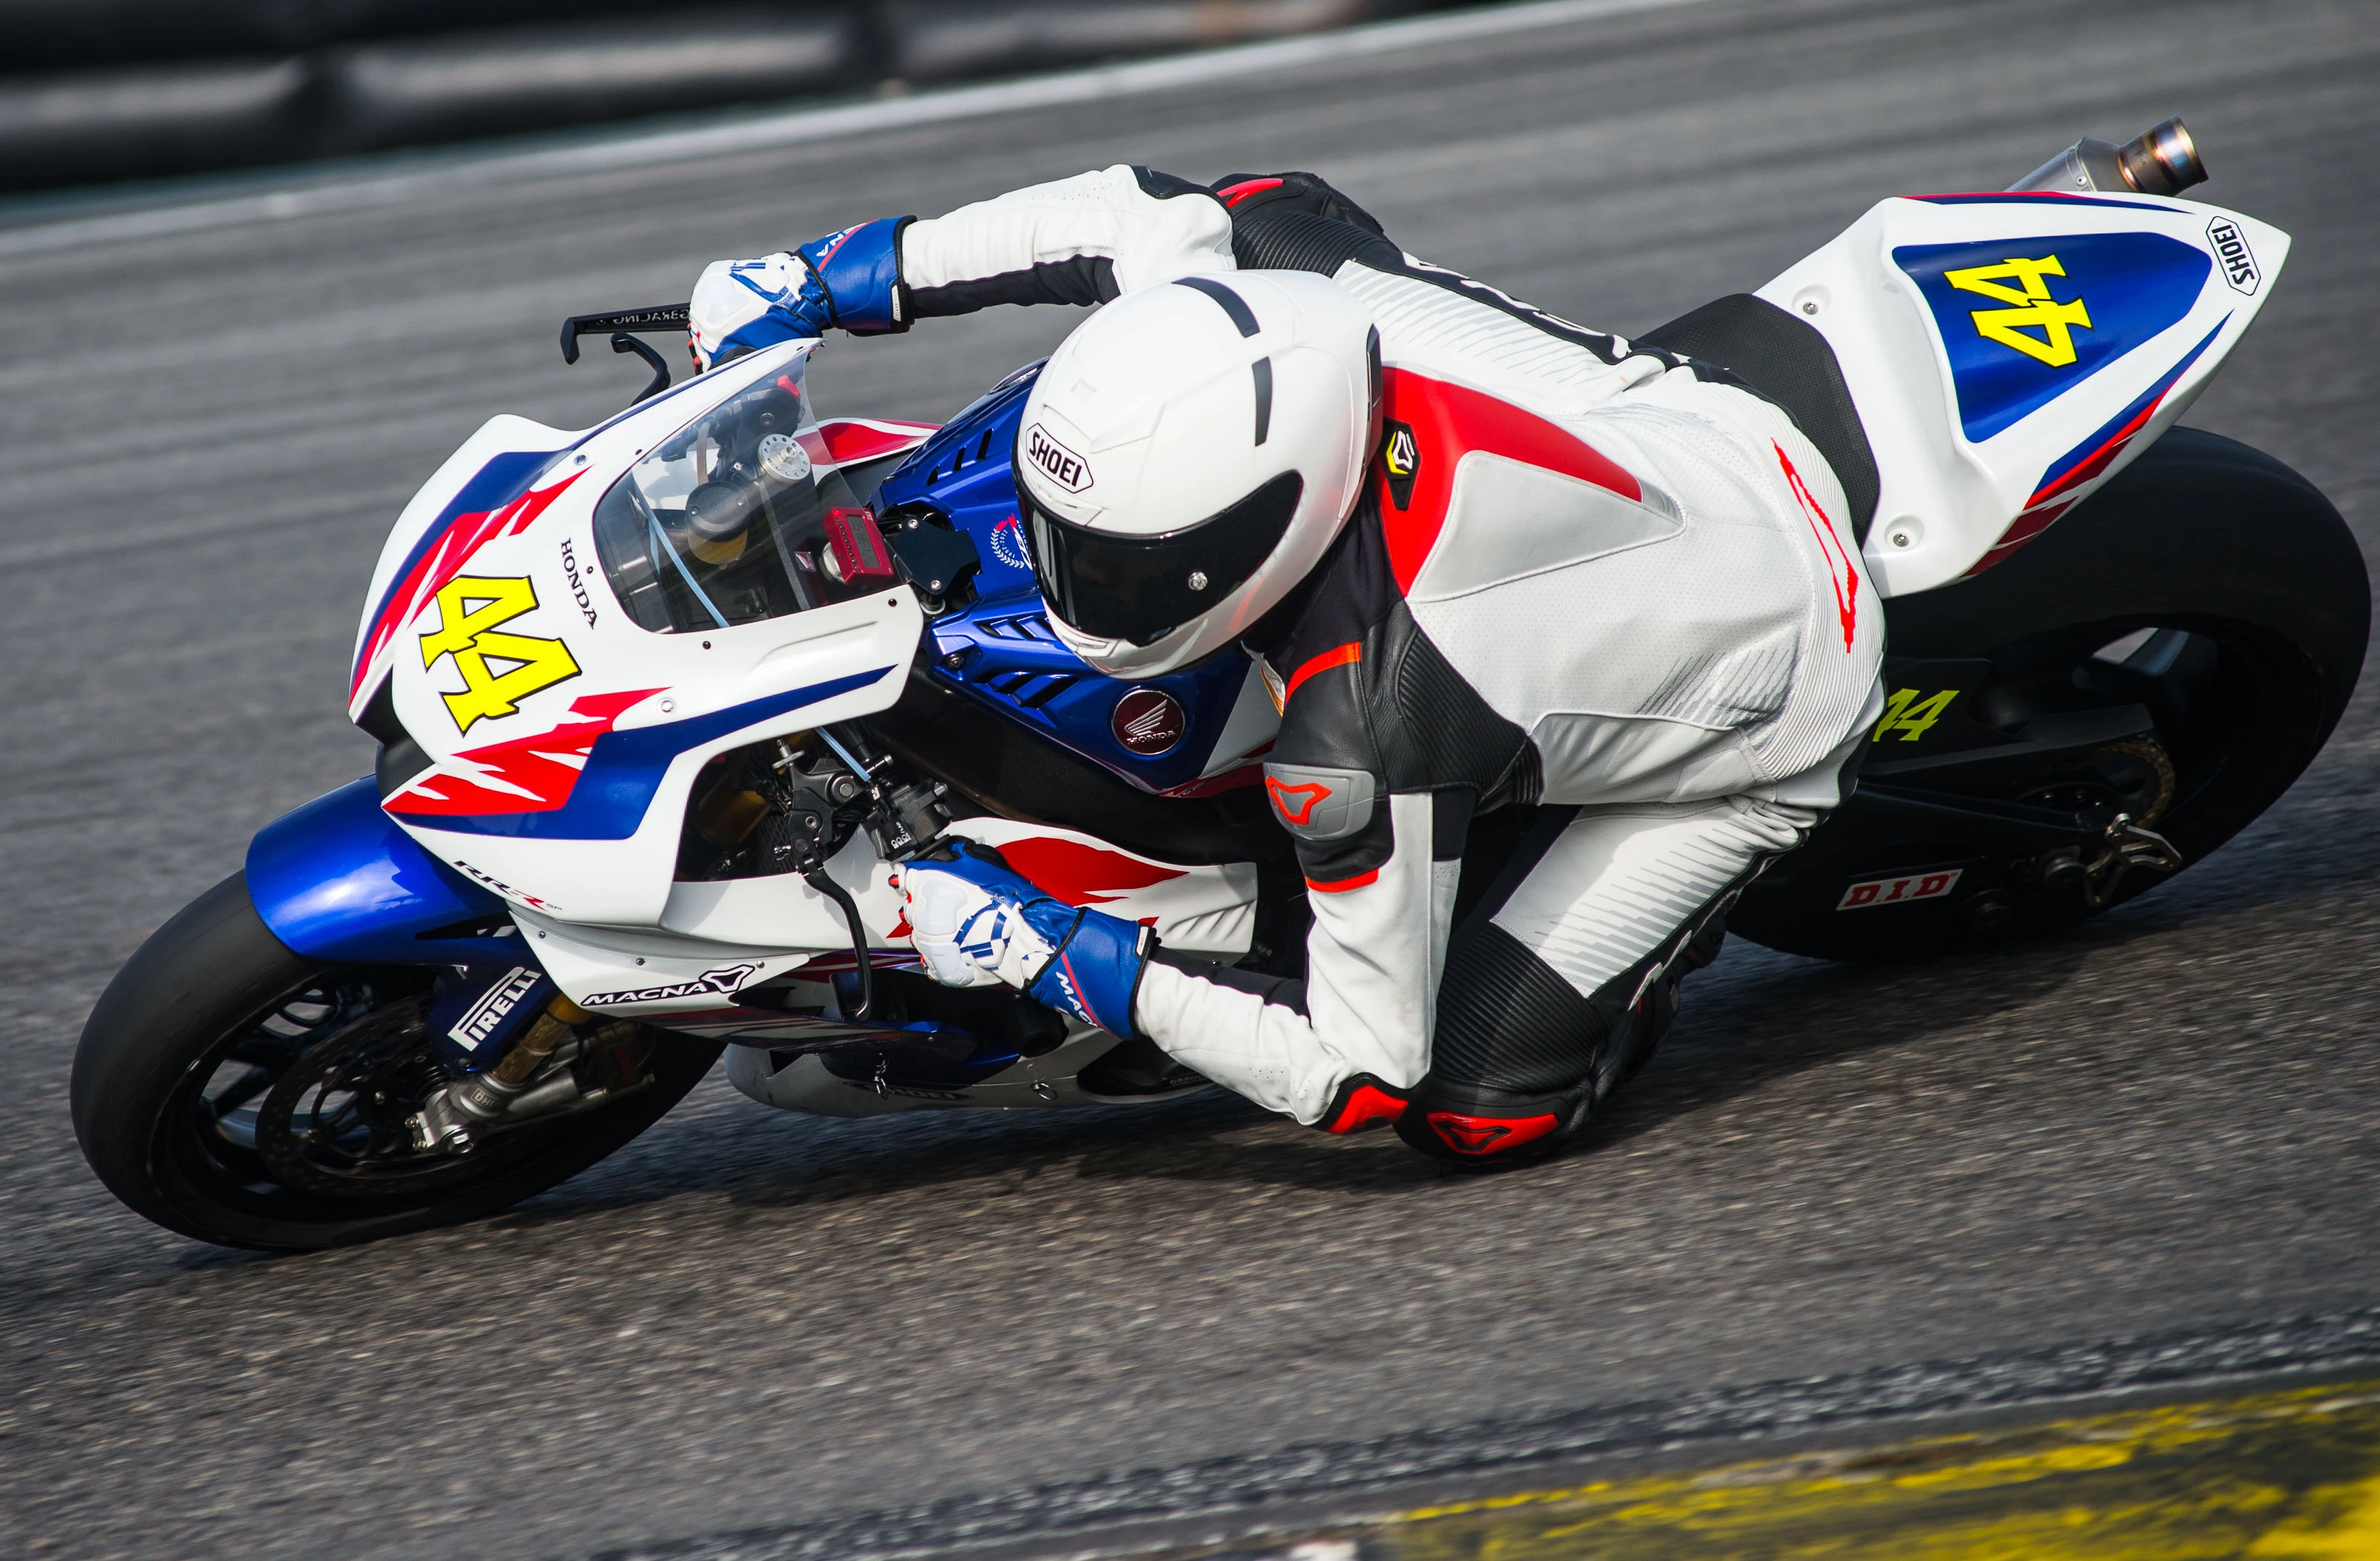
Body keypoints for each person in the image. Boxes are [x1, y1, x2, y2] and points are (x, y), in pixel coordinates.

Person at [688, 166, 1885, 1166]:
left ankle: (1607, 892)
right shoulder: (1259, 269)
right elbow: (1124, 212)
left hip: (1789, 668)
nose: (1073, 591)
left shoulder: (1361, 727)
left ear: (1263, 532)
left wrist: (1055, 948)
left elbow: (1356, 1067)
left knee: (1469, 1106)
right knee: (1262, 196)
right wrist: (823, 280)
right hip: (1691, 424)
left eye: (1115, 573)